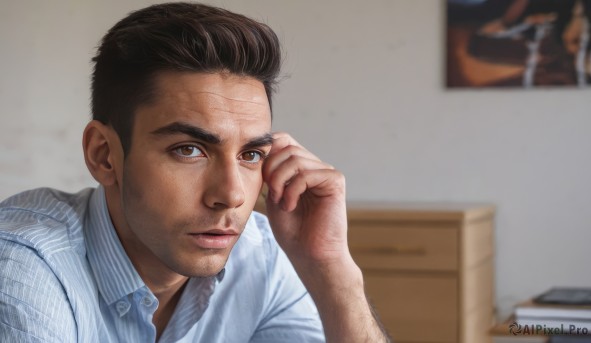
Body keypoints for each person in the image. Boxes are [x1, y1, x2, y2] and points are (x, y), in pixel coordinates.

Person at [0, 2, 389, 342]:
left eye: (251, 154)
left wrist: (333, 271)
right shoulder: (25, 265)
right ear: (104, 155)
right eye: (189, 150)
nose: (233, 196)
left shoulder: (262, 257)